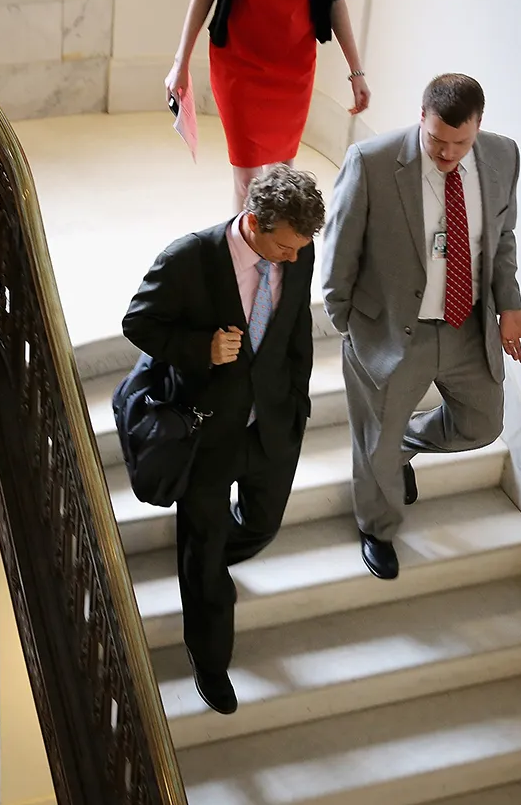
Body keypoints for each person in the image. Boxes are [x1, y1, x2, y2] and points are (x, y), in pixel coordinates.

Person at [319, 73, 521, 581]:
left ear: (479, 127)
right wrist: (348, 323)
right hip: (392, 330)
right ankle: (377, 525)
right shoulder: (371, 163)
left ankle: (401, 450)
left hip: (467, 325)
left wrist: (508, 303)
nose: (446, 154)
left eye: (459, 143)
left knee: (482, 424)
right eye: (436, 140)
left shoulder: (503, 155)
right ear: (421, 117)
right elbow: (339, 252)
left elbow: (502, 238)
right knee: (374, 437)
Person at [121, 165, 322, 714]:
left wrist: (297, 408)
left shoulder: (294, 255)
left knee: (261, 524)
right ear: (255, 222)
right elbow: (139, 324)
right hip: (205, 432)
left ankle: (202, 563)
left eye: (300, 249)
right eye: (283, 247)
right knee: (205, 551)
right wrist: (201, 348)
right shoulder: (188, 258)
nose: (293, 259)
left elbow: (296, 333)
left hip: (270, 428)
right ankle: (208, 659)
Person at [165, 0, 372, 209]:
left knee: (282, 175)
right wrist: (181, 62)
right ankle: (243, 246)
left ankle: (275, 246)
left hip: (294, 67)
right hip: (238, 64)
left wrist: (356, 71)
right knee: (246, 181)